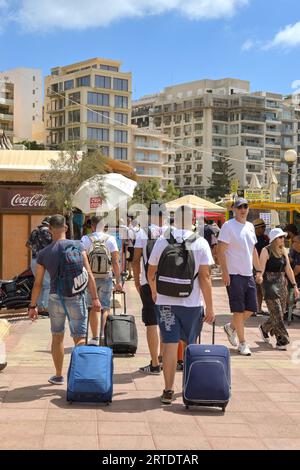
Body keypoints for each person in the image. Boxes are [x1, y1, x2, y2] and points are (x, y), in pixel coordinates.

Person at [147, 205, 215, 404]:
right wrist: (210, 307)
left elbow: (151, 272)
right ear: (192, 219)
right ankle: (190, 387)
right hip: (192, 303)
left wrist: (154, 291)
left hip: (166, 302)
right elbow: (205, 277)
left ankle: (168, 390)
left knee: (169, 344)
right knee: (190, 345)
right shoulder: (200, 242)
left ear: (174, 219)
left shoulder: (162, 240)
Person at [28, 214, 101, 385]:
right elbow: (89, 274)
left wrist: (33, 306)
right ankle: (79, 377)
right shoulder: (78, 245)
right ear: (66, 228)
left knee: (57, 336)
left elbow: (38, 284)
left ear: (50, 229)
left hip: (55, 298)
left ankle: (59, 375)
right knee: (80, 338)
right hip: (76, 297)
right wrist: (95, 298)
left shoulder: (44, 253)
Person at [218, 198, 263, 357]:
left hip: (247, 274)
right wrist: (224, 272)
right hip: (234, 274)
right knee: (238, 309)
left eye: (245, 206)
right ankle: (243, 343)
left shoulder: (250, 226)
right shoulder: (228, 226)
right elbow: (221, 251)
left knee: (252, 308)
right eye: (240, 207)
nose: (243, 209)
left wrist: (258, 270)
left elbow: (253, 251)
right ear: (234, 209)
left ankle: (231, 327)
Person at [132, 202, 166, 375]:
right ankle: (164, 358)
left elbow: (135, 259)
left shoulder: (143, 232)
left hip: (148, 282)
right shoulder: (171, 232)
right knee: (166, 321)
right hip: (168, 284)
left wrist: (137, 281)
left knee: (152, 323)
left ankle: (154, 364)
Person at [81, 215, 123, 344]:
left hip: (90, 278)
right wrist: (118, 281)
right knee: (105, 307)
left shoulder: (85, 239)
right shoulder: (110, 239)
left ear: (92, 226)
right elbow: (115, 262)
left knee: (92, 307)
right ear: (104, 226)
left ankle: (94, 338)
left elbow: (82, 261)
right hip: (106, 277)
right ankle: (103, 336)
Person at [259, 228, 299, 350]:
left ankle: (265, 328)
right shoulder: (265, 251)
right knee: (276, 311)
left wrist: (294, 286)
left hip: (282, 283)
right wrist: (259, 279)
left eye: (283, 237)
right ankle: (282, 339)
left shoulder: (283, 251)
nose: (283, 239)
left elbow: (288, 269)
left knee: (280, 314)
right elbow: (261, 270)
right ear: (274, 239)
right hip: (269, 283)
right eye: (281, 237)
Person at [26, 216, 52, 316]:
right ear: (49, 224)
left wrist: (36, 249)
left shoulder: (34, 231)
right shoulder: (48, 232)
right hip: (44, 261)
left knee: (38, 284)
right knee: (47, 284)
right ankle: (45, 308)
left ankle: (40, 307)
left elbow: (27, 245)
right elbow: (53, 245)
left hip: (34, 260)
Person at [253, 219, 270, 315]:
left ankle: (258, 308)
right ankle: (252, 309)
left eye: (264, 226)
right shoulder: (252, 238)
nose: (264, 229)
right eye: (262, 227)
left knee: (261, 289)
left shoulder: (266, 238)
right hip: (253, 266)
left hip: (263, 266)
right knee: (254, 288)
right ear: (257, 228)